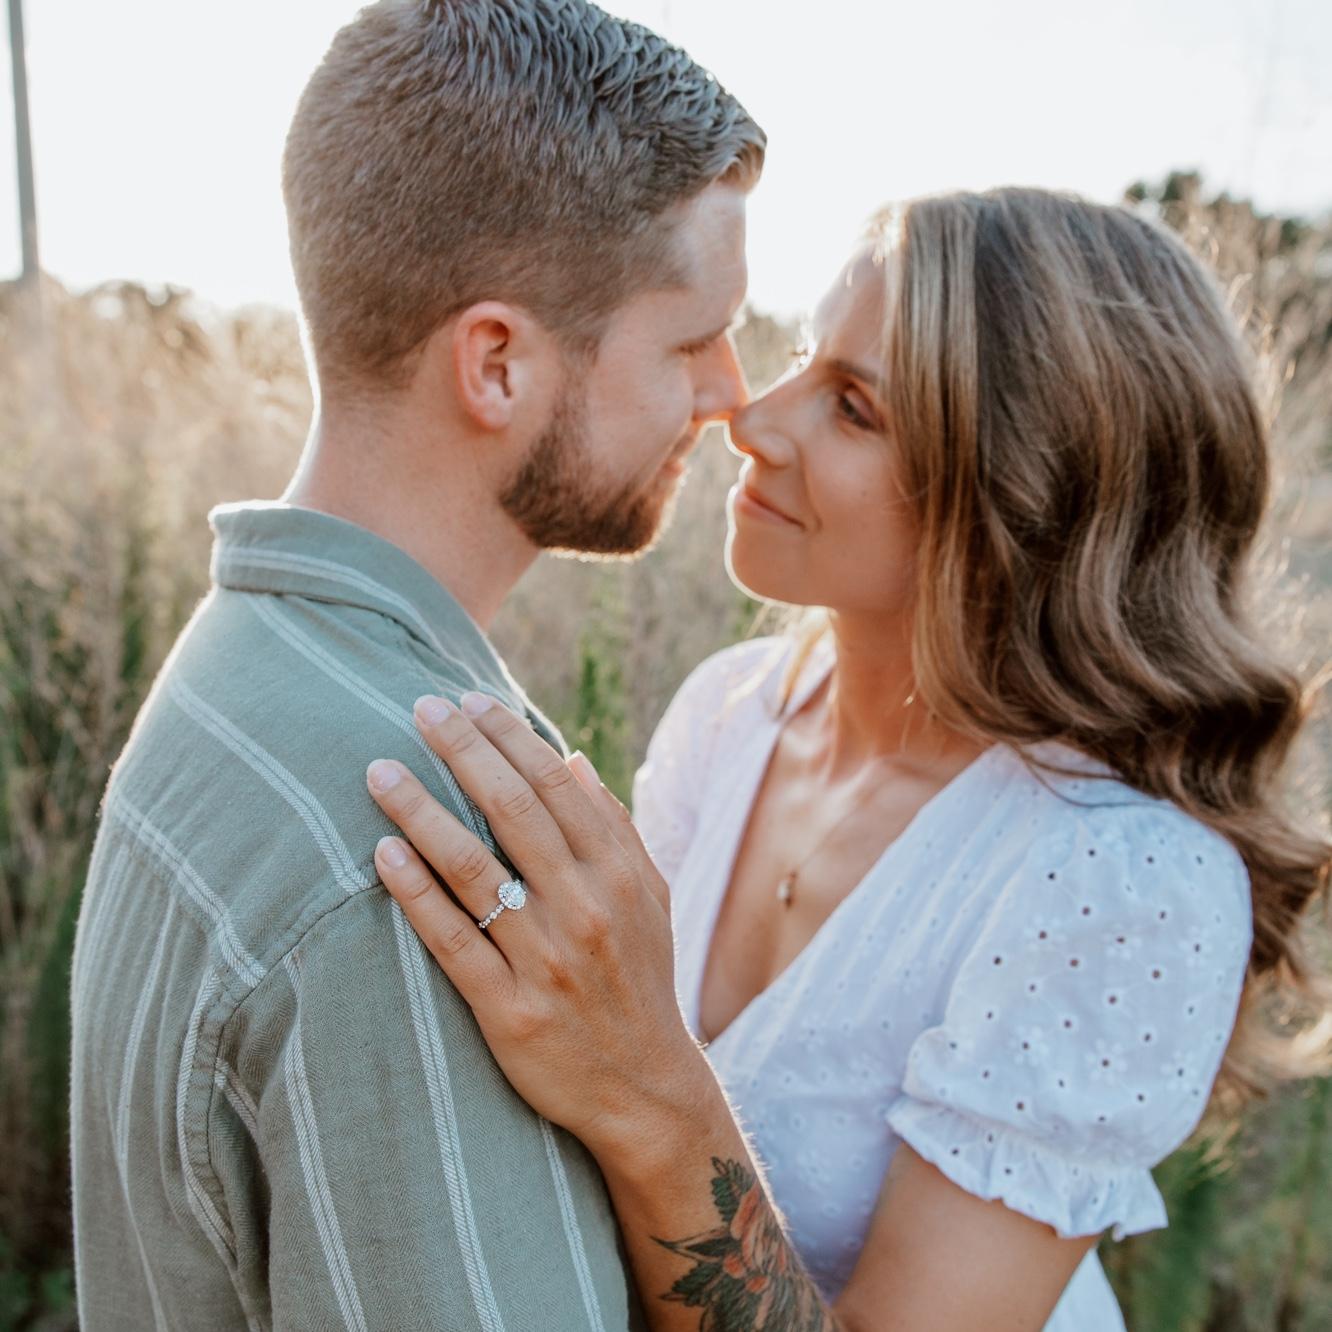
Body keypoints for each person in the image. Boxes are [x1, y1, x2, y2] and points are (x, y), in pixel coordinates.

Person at [364, 189, 1332, 1330]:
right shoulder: (730, 714)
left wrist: (645, 1088)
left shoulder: (1123, 881)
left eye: (854, 407)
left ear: (1025, 495)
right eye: (799, 360)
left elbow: (628, 1088)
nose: (754, 421)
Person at [68, 1, 763, 1327]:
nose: (732, 391)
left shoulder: (241, 672)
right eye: (689, 340)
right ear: (496, 362)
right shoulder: (435, 853)